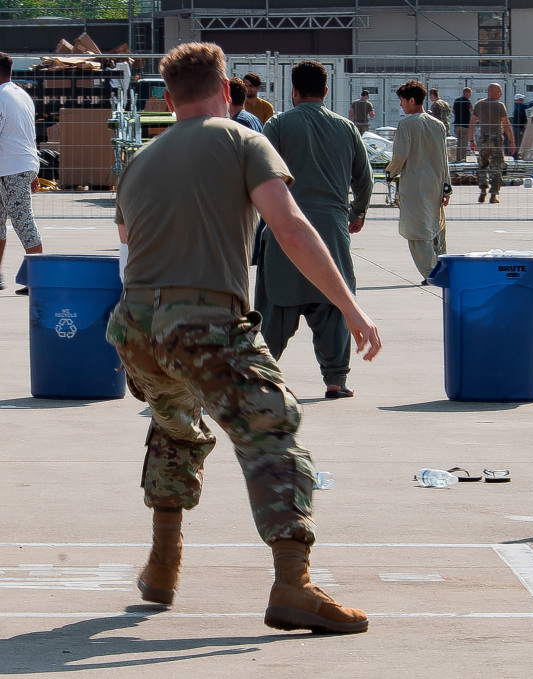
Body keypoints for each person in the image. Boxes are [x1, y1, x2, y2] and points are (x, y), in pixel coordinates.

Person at [108, 41, 382, 635]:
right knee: (271, 432)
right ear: (229, 92)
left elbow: (130, 249)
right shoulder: (244, 140)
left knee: (174, 423)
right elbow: (289, 227)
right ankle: (293, 586)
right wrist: (350, 309)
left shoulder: (139, 160)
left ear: (167, 99)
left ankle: (162, 567)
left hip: (134, 327)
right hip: (203, 318)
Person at [256, 60, 372, 399]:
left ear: (293, 91)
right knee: (336, 304)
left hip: (284, 229)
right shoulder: (346, 128)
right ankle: (336, 379)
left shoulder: (277, 125)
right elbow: (364, 180)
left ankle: (259, 373)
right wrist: (357, 212)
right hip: (332, 232)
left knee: (273, 307)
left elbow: (257, 174)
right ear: (324, 91)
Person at [388, 81, 451, 284]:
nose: (401, 106)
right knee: (435, 228)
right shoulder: (438, 124)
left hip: (414, 186)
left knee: (417, 232)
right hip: (435, 184)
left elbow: (400, 154)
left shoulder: (406, 124)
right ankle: (443, 269)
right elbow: (444, 159)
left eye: (402, 101)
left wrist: (390, 173)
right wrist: (447, 187)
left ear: (412, 100)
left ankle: (431, 273)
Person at [0, 52, 44, 295]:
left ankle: (37, 279)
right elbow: (28, 134)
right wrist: (33, 169)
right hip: (17, 166)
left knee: (22, 222)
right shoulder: (22, 95)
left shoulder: (1, 97)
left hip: (11, 169)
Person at [468, 83, 515, 204]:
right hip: (496, 140)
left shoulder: (479, 104)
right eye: (499, 91)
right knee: (497, 167)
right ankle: (494, 194)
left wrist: (471, 140)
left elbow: (472, 123)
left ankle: (483, 190)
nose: (501, 93)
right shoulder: (500, 106)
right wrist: (512, 141)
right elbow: (506, 124)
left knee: (482, 165)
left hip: (483, 139)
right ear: (493, 92)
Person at [510, 92, 533, 156]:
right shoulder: (519, 106)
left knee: (518, 141)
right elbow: (528, 105)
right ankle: (515, 155)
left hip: (518, 127)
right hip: (517, 127)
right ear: (518, 100)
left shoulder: (518, 106)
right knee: (517, 141)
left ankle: (516, 155)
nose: (523, 100)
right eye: (521, 99)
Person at [452, 87, 473, 162]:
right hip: (465, 125)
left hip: (457, 125)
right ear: (467, 93)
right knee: (464, 144)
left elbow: (453, 111)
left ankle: (457, 158)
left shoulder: (456, 101)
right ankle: (463, 159)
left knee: (458, 143)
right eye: (470, 93)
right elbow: (471, 111)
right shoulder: (468, 102)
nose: (470, 95)